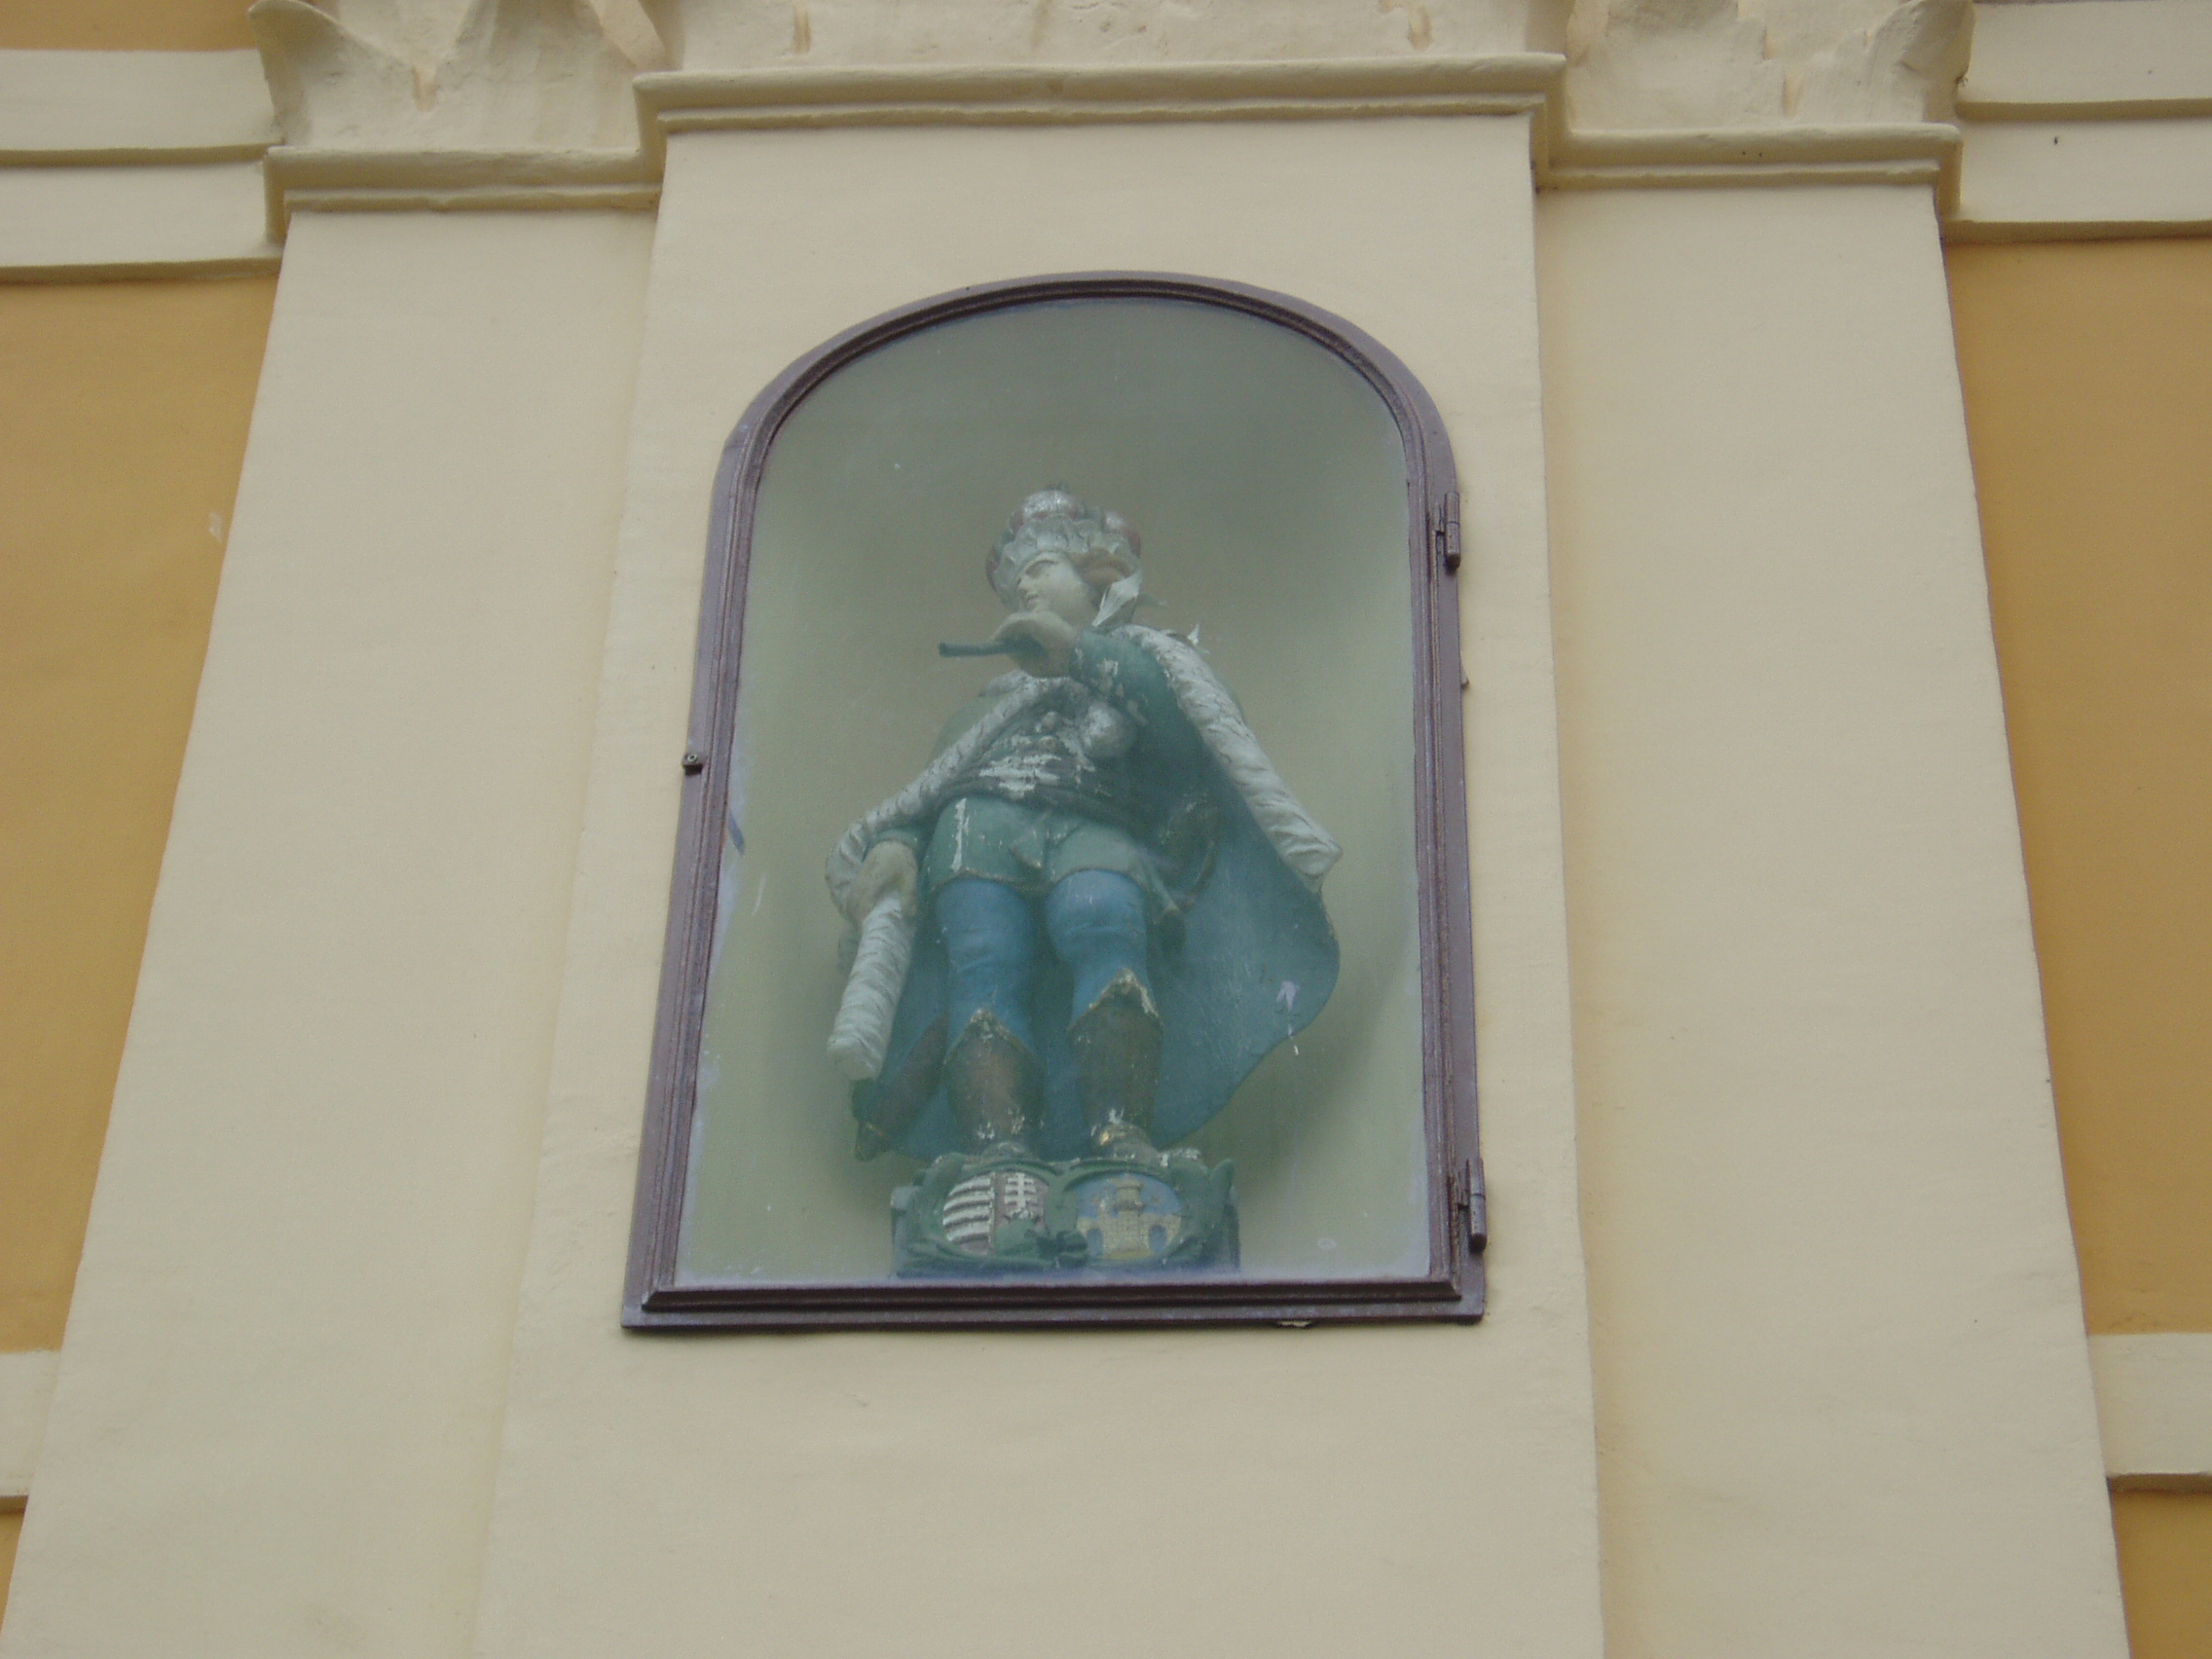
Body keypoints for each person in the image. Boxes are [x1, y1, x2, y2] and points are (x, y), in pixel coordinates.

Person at [826, 490, 1340, 1168]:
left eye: (1042, 568)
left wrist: (1077, 654)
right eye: (1018, 580)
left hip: (1097, 825)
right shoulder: (988, 707)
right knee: (983, 957)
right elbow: (934, 791)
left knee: (1103, 922)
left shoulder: (1150, 663)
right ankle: (996, 1149)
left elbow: (1189, 737)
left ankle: (1120, 1134)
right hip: (975, 831)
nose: (1026, 587)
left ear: (1097, 578)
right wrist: (899, 843)